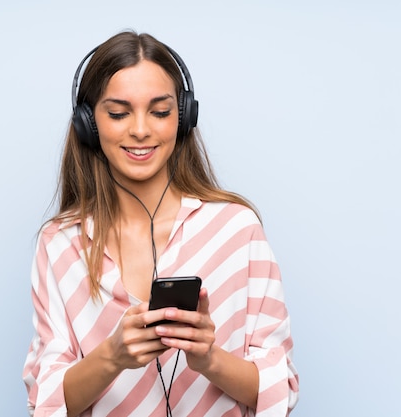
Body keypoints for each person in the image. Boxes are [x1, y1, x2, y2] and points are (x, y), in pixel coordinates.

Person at [23, 30, 299, 417]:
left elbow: (278, 390)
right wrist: (112, 357)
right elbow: (45, 402)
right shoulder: (59, 243)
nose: (140, 129)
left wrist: (209, 360)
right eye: (118, 113)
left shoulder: (237, 230)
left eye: (160, 111)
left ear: (183, 118)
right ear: (89, 123)